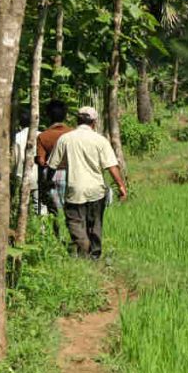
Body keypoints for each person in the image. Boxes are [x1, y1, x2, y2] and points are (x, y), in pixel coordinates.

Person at [47, 106, 127, 259]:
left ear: (77, 120)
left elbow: (52, 166)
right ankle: (95, 255)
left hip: (74, 189)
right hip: (96, 190)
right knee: (95, 223)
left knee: (75, 221)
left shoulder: (65, 139)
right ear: (94, 122)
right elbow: (111, 166)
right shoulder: (100, 140)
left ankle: (83, 246)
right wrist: (121, 186)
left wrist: (47, 182)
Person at [36, 99, 73, 215]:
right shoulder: (73, 133)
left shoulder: (43, 136)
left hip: (52, 176)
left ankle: (57, 232)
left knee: (54, 212)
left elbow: (41, 161)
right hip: (72, 173)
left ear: (48, 116)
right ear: (65, 115)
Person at [11, 107, 38, 205]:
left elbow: (14, 160)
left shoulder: (16, 138)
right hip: (37, 176)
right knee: (39, 205)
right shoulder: (40, 135)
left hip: (20, 175)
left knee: (20, 203)